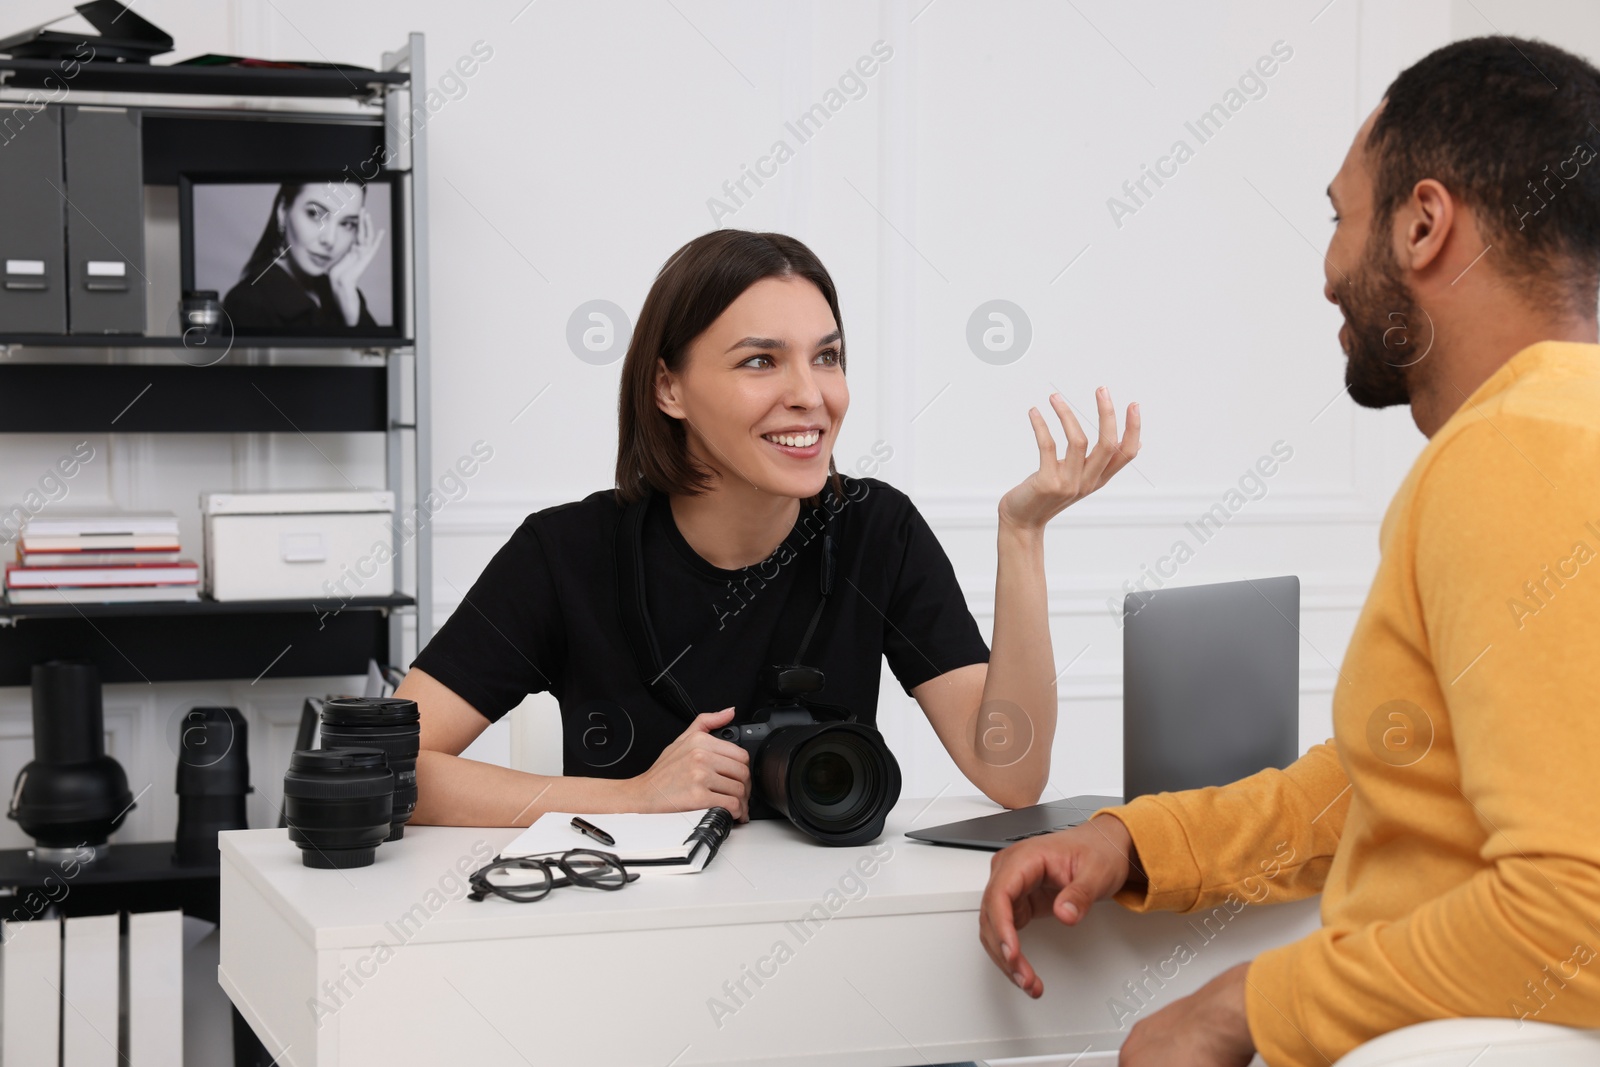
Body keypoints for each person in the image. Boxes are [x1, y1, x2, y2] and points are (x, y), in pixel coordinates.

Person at [977, 35, 1600, 1067]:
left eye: (1338, 215)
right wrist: (1135, 840)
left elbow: (1577, 911)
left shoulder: (1518, 450)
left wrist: (1239, 1006)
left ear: (1422, 223)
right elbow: (1394, 773)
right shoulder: (1556, 435)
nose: (1325, 274)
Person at [397, 229, 1138, 1067]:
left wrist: (1024, 533)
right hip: (635, 997)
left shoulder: (874, 530)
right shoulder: (565, 554)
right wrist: (631, 797)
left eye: (827, 357)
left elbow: (1011, 769)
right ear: (668, 386)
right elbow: (391, 763)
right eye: (761, 362)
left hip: (836, 985)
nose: (810, 394)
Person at [222, 179, 385, 331]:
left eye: (347, 224)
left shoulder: (344, 291)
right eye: (315, 214)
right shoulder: (247, 303)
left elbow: (378, 359)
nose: (330, 239)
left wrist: (347, 296)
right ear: (283, 212)